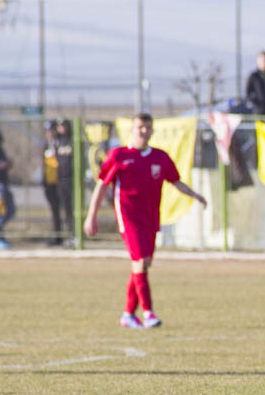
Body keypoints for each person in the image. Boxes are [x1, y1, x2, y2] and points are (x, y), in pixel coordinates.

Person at [83, 113, 208, 329]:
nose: (143, 131)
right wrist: (91, 215)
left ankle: (128, 314)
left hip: (150, 217)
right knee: (140, 261)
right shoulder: (118, 156)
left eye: (147, 127)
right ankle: (149, 313)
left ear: (151, 131)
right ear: (131, 130)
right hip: (128, 217)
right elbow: (102, 185)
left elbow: (176, 181)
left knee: (143, 264)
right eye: (140, 127)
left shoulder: (160, 157)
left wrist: (195, 195)